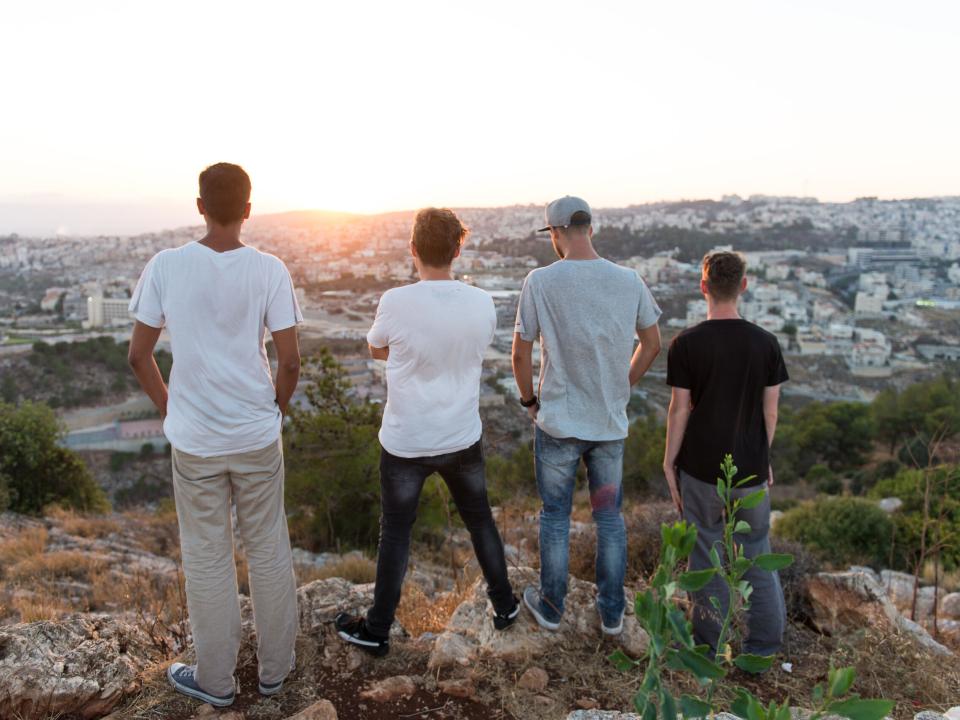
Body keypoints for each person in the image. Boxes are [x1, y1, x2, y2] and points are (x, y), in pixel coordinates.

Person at [127, 162, 302, 707]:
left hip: (196, 440)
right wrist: (274, 409)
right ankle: (276, 674)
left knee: (206, 557)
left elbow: (138, 354)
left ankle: (216, 682)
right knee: (269, 550)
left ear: (199, 206)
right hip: (255, 434)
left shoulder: (167, 266)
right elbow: (290, 362)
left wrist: (169, 405)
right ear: (248, 210)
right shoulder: (270, 269)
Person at [335, 207, 518, 656]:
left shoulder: (395, 302)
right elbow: (476, 347)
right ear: (458, 249)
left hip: (406, 440)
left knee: (396, 532)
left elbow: (377, 347)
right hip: (461, 435)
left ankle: (377, 629)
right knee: (480, 521)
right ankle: (506, 604)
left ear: (413, 250)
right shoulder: (480, 301)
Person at [512, 196, 662, 635]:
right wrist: (622, 386)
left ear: (555, 234)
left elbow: (520, 353)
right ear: (590, 228)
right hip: (607, 423)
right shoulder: (629, 280)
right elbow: (652, 343)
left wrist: (528, 402)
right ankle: (612, 612)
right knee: (609, 517)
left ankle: (553, 607)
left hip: (558, 421)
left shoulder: (540, 282)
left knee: (555, 516)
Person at [663, 250, 788, 657]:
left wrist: (669, 461)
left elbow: (680, 408)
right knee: (756, 556)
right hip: (751, 470)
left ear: (703, 287)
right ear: (744, 287)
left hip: (700, 469)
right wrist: (762, 457)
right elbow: (770, 411)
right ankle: (764, 649)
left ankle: (707, 648)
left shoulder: (686, 344)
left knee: (704, 554)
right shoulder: (766, 345)